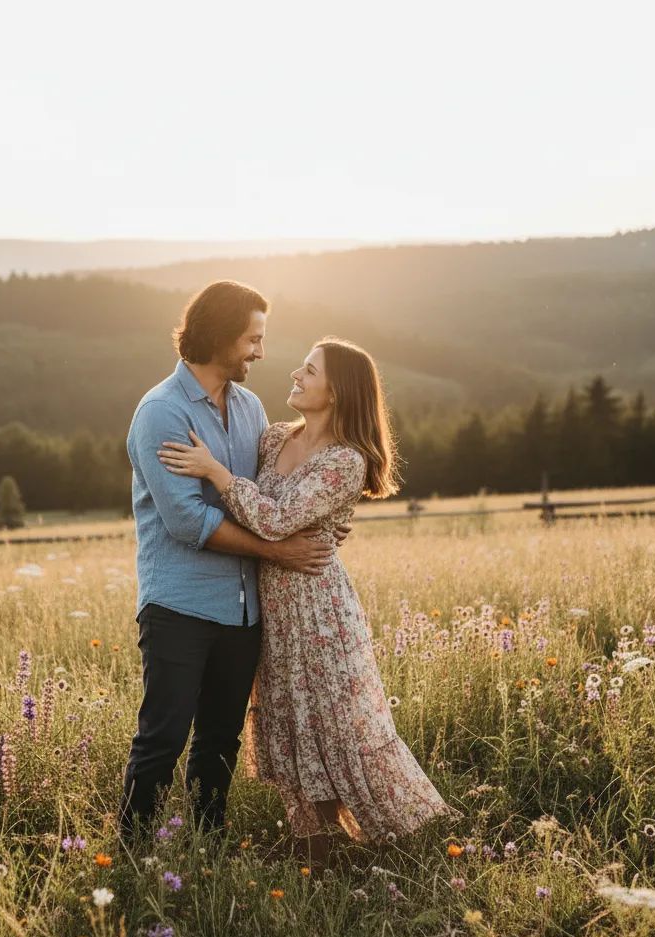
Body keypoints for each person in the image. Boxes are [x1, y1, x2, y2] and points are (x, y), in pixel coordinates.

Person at [158, 337, 460, 863]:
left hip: (319, 606)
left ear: (337, 392)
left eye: (310, 370)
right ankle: (313, 850)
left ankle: (411, 840)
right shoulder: (274, 439)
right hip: (268, 605)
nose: (295, 374)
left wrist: (214, 471)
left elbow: (273, 518)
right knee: (289, 718)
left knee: (338, 721)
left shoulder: (347, 461)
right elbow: (259, 507)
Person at [119, 281, 350, 840]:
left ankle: (206, 846)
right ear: (220, 336)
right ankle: (130, 851)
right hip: (180, 604)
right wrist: (279, 551)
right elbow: (187, 521)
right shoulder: (161, 413)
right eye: (252, 339)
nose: (260, 352)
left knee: (221, 738)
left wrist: (328, 513)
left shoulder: (250, 410)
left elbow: (273, 490)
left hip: (245, 611)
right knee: (164, 736)